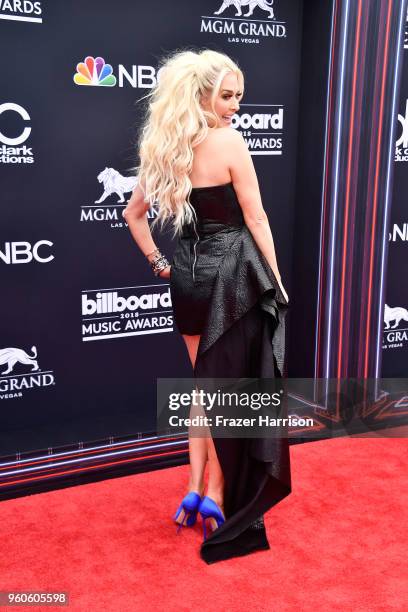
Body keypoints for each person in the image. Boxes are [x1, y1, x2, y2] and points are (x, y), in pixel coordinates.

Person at [123, 48, 291, 564]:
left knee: (203, 385)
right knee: (228, 395)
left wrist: (160, 266)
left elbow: (134, 216)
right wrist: (277, 282)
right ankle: (216, 496)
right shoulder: (228, 142)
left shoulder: (165, 147)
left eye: (240, 96)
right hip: (233, 283)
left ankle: (194, 484)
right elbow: (257, 219)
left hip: (190, 281)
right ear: (201, 94)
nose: (236, 106)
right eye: (226, 95)